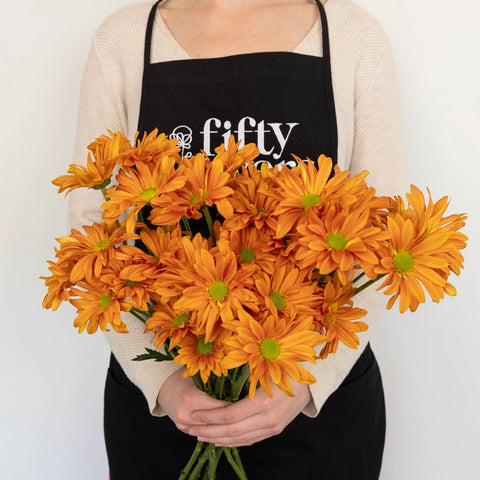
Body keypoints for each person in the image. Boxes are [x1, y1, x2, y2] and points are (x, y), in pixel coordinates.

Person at [69, 0, 405, 478]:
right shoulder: (123, 40)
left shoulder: (353, 36)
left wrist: (306, 382)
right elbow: (93, 230)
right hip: (170, 410)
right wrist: (159, 378)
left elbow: (384, 232)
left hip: (313, 407)